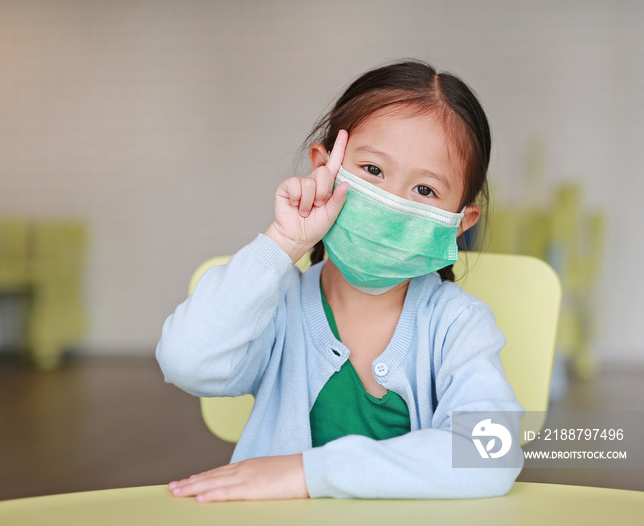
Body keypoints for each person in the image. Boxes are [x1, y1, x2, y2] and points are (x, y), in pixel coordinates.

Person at [156, 60, 524, 502]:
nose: (391, 203)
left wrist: (311, 473)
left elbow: (491, 452)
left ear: (459, 223)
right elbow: (185, 359)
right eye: (372, 170)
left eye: (424, 190)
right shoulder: (278, 306)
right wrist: (282, 243)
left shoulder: (459, 326)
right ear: (323, 167)